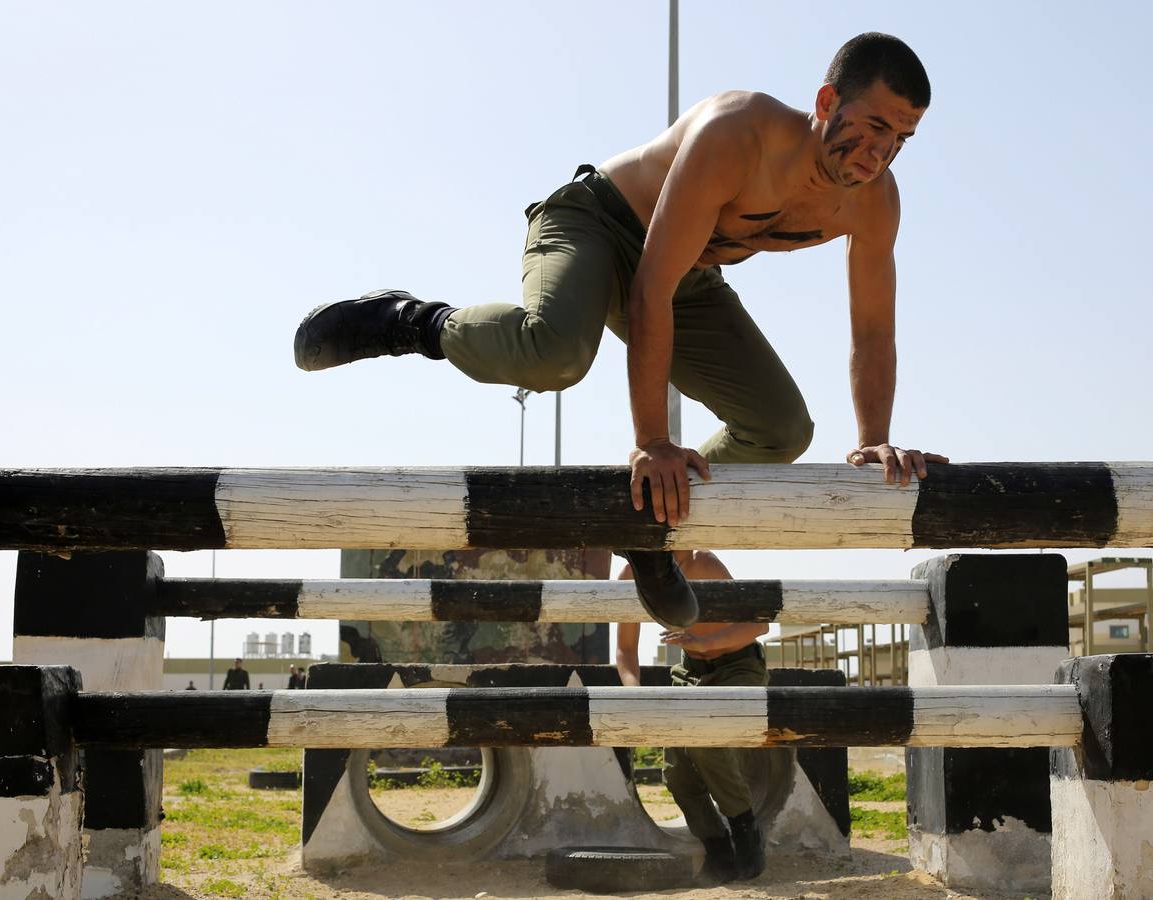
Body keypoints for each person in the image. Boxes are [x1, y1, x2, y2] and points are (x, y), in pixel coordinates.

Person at [293, 33, 947, 626]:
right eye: (873, 128)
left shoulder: (876, 200)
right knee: (554, 356)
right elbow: (647, 288)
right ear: (827, 101)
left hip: (685, 270)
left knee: (782, 428)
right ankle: (410, 320)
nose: (880, 153)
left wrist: (873, 442)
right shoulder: (737, 133)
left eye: (901, 140)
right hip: (596, 223)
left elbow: (872, 333)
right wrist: (653, 443)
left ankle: (651, 528)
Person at [616, 550, 769, 883]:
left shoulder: (703, 563)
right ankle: (717, 849)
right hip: (690, 672)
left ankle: (745, 831)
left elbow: (759, 622)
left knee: (705, 741)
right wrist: (634, 692)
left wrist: (703, 642)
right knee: (676, 772)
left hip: (739, 666)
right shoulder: (630, 575)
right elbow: (626, 650)